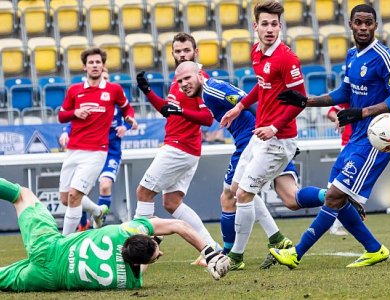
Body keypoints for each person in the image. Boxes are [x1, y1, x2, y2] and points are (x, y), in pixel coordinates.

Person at [269, 4, 390, 269]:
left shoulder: (385, 56)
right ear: (351, 24)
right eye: (359, 22)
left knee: (334, 197)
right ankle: (374, 249)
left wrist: (361, 112)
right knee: (337, 196)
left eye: (369, 23)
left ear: (376, 25)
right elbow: (344, 92)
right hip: (354, 136)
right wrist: (305, 101)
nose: (364, 27)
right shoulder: (352, 55)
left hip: (373, 140)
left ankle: (296, 253)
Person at [174, 61, 327, 270]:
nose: (183, 84)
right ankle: (329, 199)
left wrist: (272, 133)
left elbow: (248, 103)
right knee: (290, 198)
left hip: (253, 140)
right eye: (180, 81)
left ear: (200, 74)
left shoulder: (212, 90)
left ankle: (230, 254)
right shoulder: (209, 92)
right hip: (264, 138)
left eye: (187, 78)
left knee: (231, 195)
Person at [0, 177, 230, 292]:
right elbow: (142, 264)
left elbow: (179, 225)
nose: (161, 254)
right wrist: (154, 249)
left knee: (21, 194)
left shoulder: (125, 231)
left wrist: (209, 253)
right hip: (47, 279)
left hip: (49, 247)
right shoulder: (127, 282)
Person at [219, 0, 307, 270]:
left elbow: (300, 100)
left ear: (280, 27)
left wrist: (274, 127)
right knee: (235, 190)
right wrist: (239, 107)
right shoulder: (257, 51)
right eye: (265, 24)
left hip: (279, 140)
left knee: (244, 194)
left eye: (274, 24)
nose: (270, 29)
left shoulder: (287, 58)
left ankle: (236, 256)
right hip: (260, 136)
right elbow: (262, 87)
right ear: (255, 26)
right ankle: (278, 239)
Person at [134, 33, 220, 253]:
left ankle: (140, 249)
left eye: (186, 51)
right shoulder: (179, 77)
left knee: (144, 193)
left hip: (179, 147)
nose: (182, 55)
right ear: (172, 53)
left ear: (196, 52)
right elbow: (167, 110)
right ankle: (211, 247)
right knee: (171, 203)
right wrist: (147, 91)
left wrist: (181, 110)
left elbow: (208, 118)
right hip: (182, 148)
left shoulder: (200, 77)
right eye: (178, 51)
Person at [58, 48, 137, 236]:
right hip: (73, 151)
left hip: (96, 152)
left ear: (103, 66)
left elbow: (128, 110)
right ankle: (97, 210)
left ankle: (64, 241)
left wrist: (130, 120)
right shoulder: (74, 90)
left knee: (74, 196)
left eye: (98, 62)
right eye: (91, 62)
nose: (95, 65)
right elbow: (62, 116)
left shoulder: (113, 90)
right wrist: (74, 113)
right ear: (85, 67)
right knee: (64, 198)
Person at [326, 104, 352, 236]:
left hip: (358, 145)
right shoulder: (351, 92)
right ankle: (333, 225)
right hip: (348, 146)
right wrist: (338, 119)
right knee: (342, 187)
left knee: (346, 188)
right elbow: (330, 112)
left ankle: (336, 223)